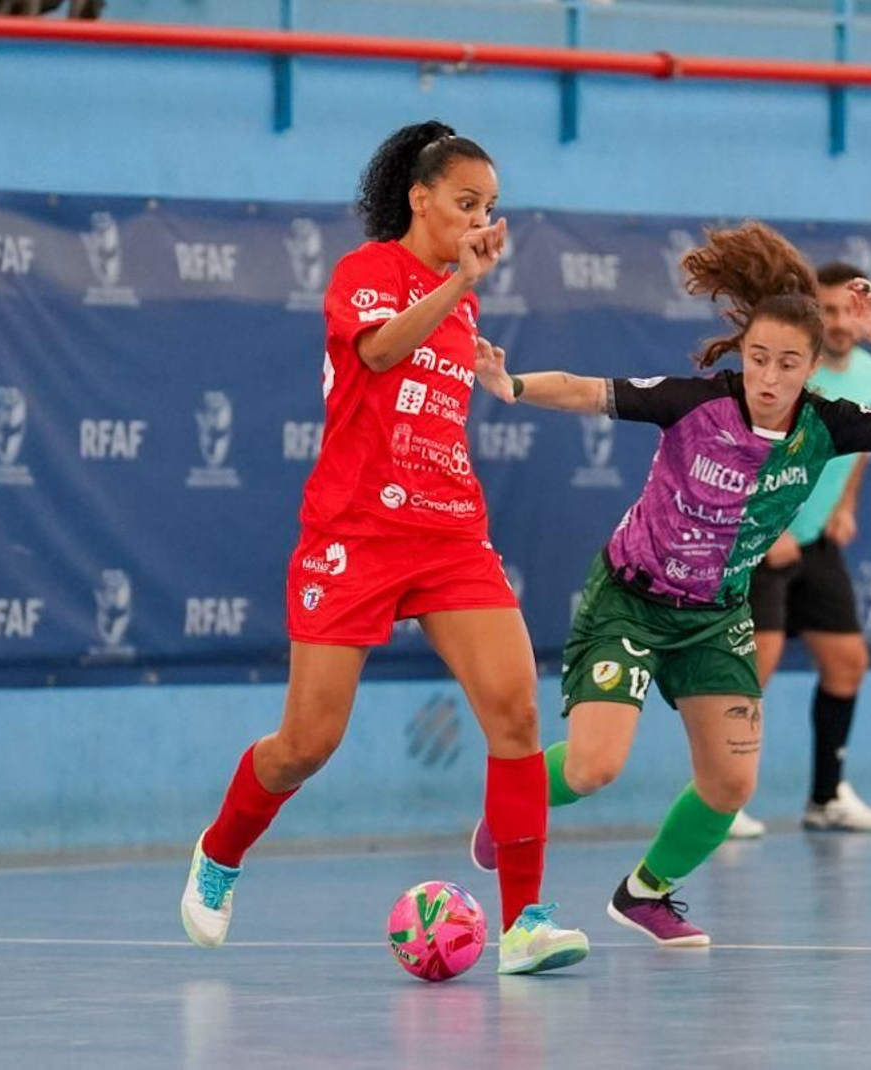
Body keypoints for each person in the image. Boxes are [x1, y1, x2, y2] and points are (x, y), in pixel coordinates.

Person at [179, 120, 588, 977]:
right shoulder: (368, 272)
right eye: (466, 202)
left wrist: (476, 337)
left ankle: (525, 925)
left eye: (490, 206)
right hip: (355, 533)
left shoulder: (463, 302)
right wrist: (456, 285)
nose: (479, 219)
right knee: (307, 742)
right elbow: (377, 349)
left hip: (449, 532)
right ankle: (220, 851)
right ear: (420, 198)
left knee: (515, 713)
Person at [469, 222, 871, 946]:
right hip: (630, 601)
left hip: (715, 616)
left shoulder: (827, 425)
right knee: (594, 768)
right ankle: (509, 807)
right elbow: (587, 391)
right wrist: (512, 384)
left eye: (788, 363)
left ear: (813, 366)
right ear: (743, 352)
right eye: (759, 358)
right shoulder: (694, 402)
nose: (769, 376)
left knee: (731, 784)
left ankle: (645, 892)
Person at [731, 260, 871, 840]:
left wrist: (845, 506)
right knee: (753, 671)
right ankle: (721, 801)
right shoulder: (789, 376)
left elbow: (858, 451)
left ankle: (826, 799)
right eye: (827, 311)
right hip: (760, 539)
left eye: (849, 312)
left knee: (847, 663)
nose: (840, 323)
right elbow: (745, 454)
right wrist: (767, 528)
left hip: (818, 542)